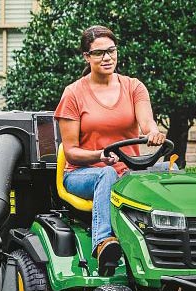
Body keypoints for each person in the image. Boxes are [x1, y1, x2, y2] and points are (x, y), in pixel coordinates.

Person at [55, 25, 166, 267]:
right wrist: (99, 155)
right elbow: (71, 151)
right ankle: (104, 243)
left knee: (169, 175)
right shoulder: (73, 94)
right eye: (99, 53)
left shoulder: (133, 87)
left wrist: (153, 132)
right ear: (87, 56)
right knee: (105, 174)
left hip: (126, 173)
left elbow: (147, 123)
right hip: (83, 174)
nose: (107, 57)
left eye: (111, 51)